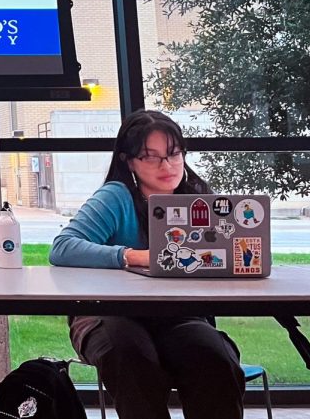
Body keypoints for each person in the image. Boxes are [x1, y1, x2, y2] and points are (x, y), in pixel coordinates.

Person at [49, 109, 245, 419]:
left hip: (179, 313)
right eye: (150, 157)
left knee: (214, 358)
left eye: (174, 154)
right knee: (131, 356)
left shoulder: (197, 199)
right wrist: (133, 256)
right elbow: (62, 248)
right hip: (109, 313)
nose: (167, 166)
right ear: (129, 161)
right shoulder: (117, 196)